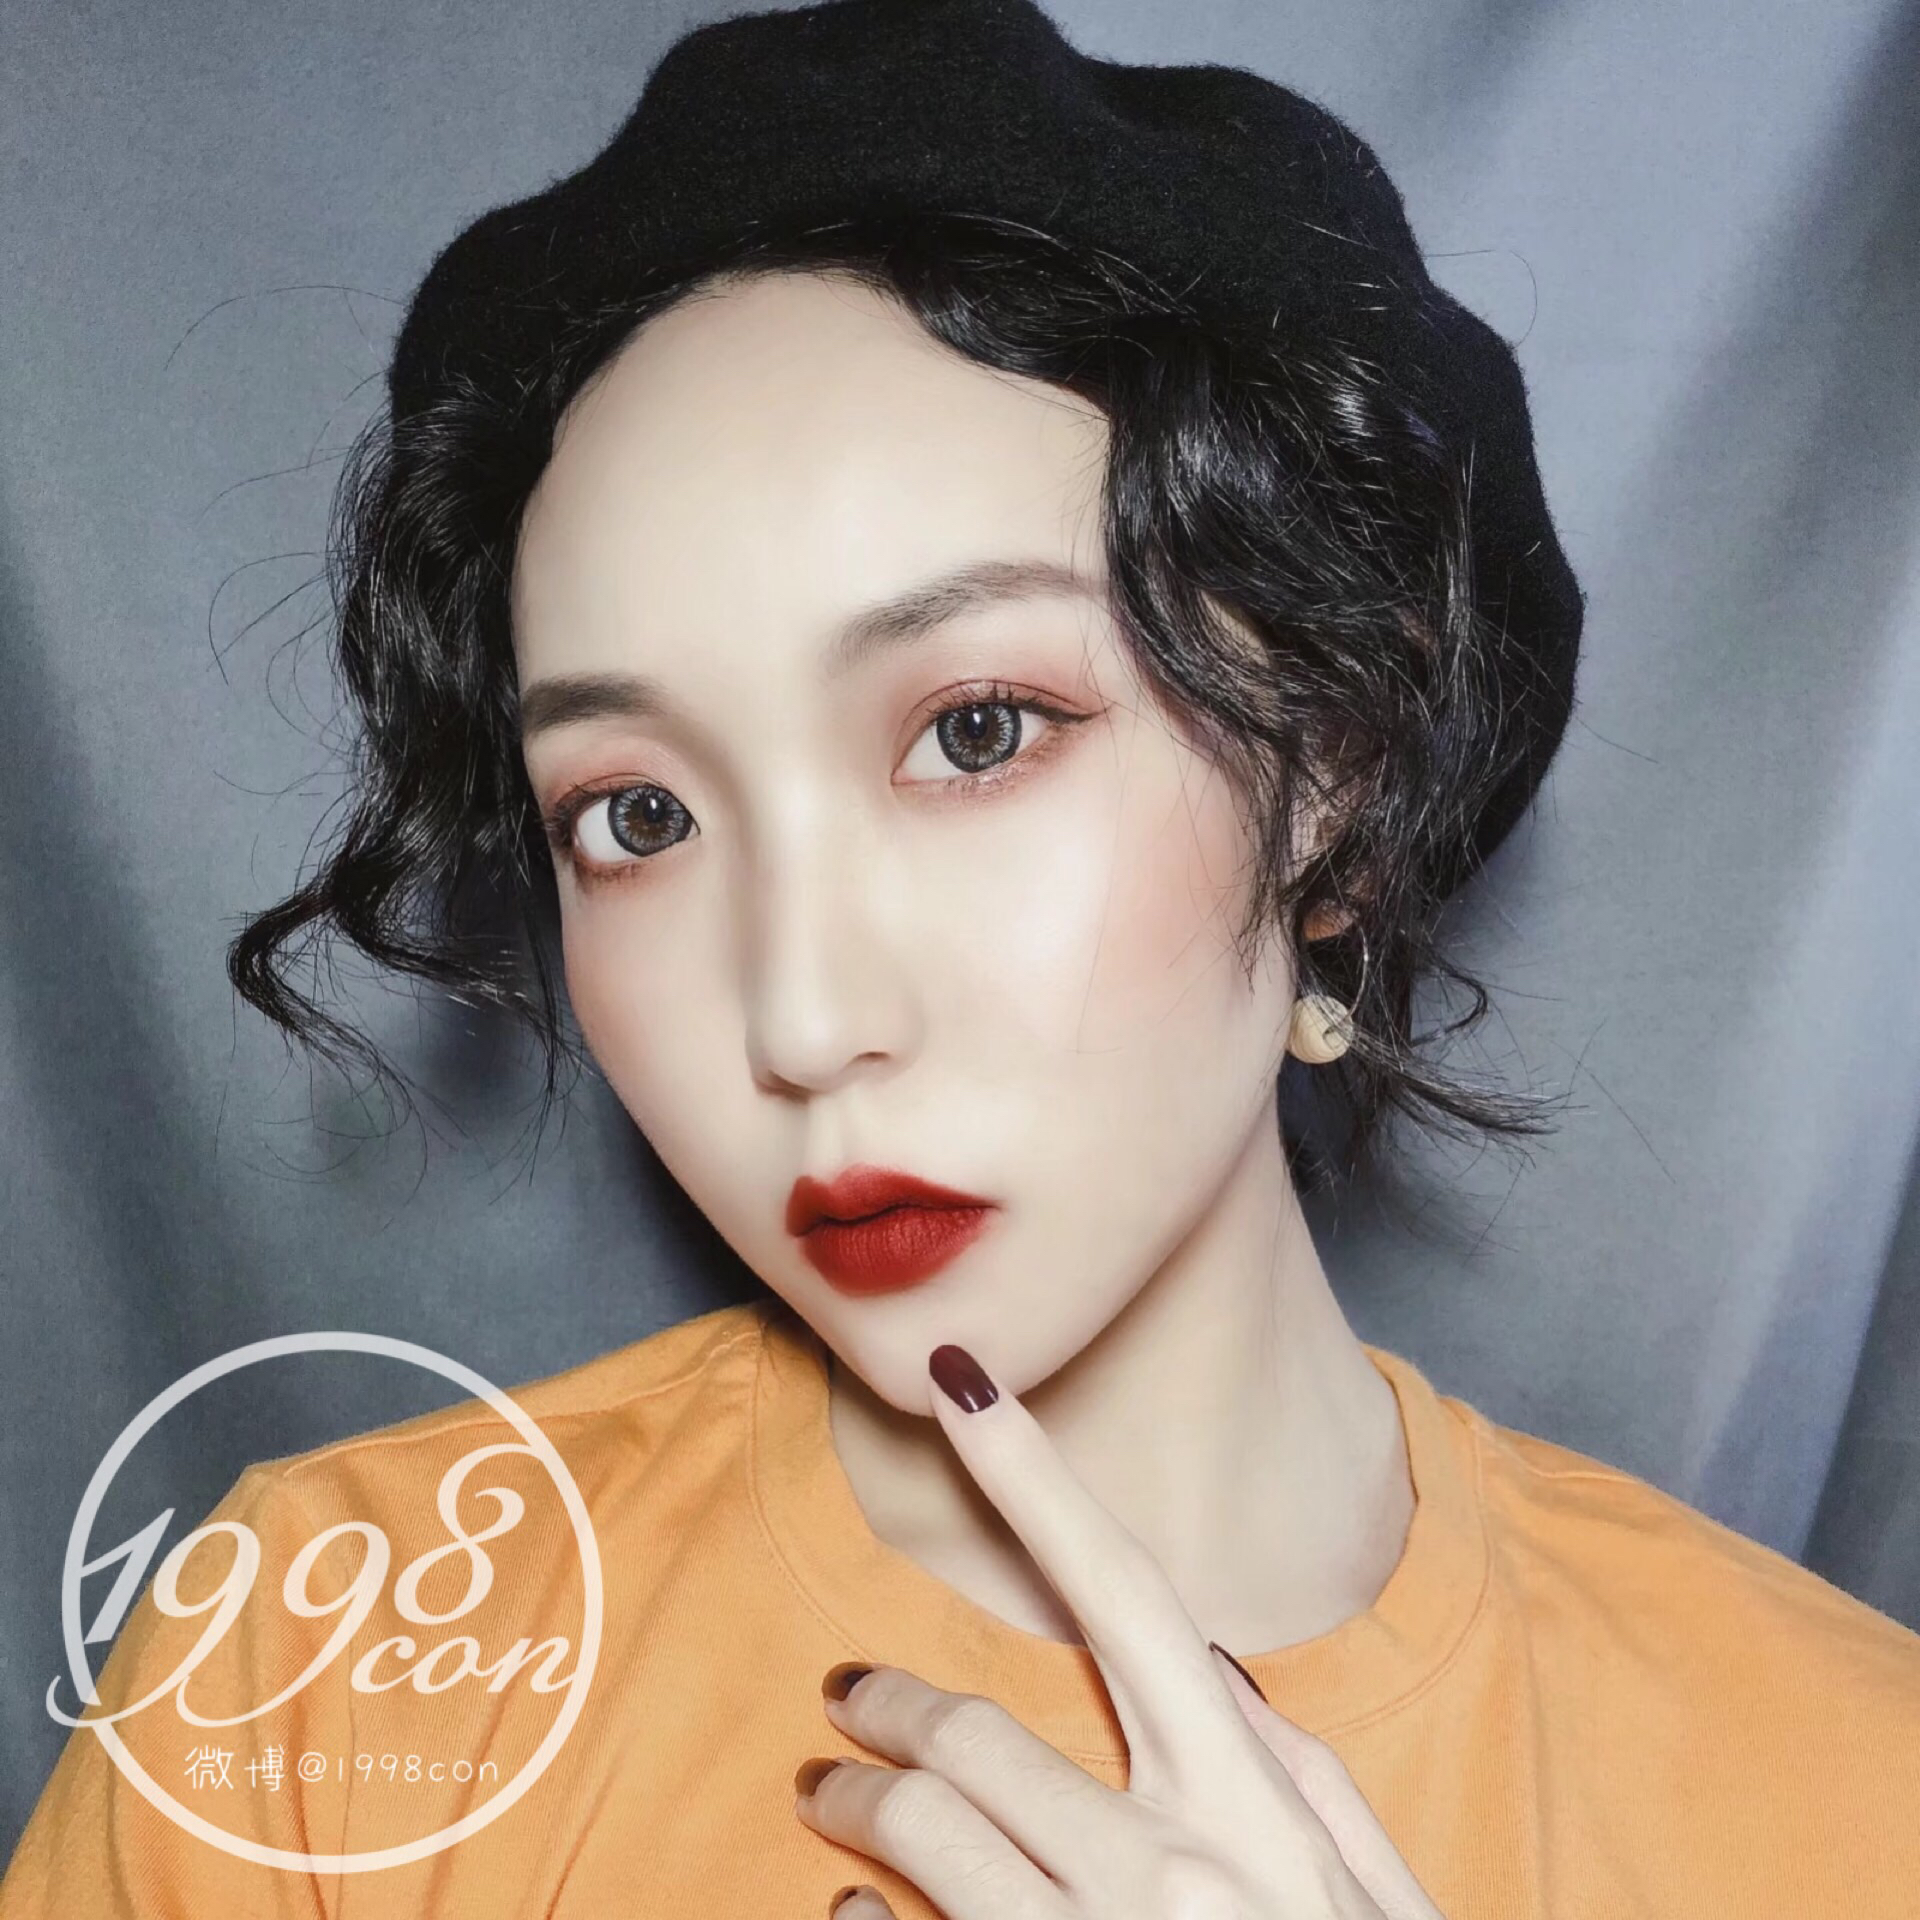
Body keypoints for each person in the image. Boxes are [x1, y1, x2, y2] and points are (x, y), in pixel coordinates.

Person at [5, 2, 1918, 1916]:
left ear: (1336, 773)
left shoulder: (1854, 1790)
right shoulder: (323, 1680)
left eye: (978, 729)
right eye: (639, 817)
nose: (805, 1019)